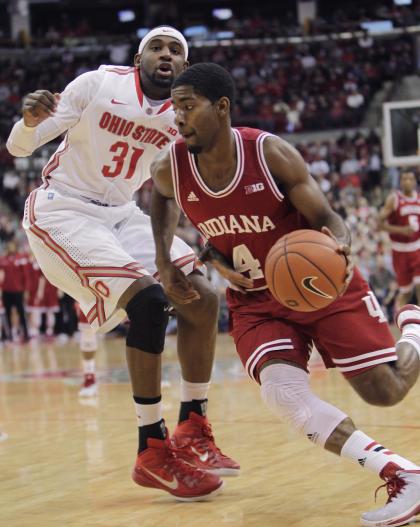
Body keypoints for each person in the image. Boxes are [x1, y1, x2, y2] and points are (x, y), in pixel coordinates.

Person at [149, 62, 420, 526]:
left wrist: (342, 243)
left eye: (188, 106)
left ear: (222, 107)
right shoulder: (169, 166)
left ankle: (413, 334)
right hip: (255, 301)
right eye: (174, 107)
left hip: (318, 285)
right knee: (282, 394)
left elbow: (328, 217)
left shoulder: (269, 153)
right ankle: (404, 475)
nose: (178, 117)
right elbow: (162, 200)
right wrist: (170, 260)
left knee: (386, 393)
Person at [6, 31, 239, 501]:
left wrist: (172, 253)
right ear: (139, 58)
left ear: (186, 67)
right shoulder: (97, 84)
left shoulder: (182, 118)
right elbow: (19, 148)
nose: (167, 56)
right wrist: (29, 122)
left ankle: (192, 427)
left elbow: (171, 193)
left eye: (177, 51)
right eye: (158, 48)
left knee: (202, 299)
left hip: (122, 215)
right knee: (151, 304)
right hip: (64, 208)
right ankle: (150, 450)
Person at [379, 168, 420, 309]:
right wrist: (402, 230)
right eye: (404, 179)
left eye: (410, 178)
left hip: (417, 248)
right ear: (400, 181)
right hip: (399, 251)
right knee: (406, 292)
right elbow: (379, 223)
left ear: (415, 181)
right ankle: (400, 323)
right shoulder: (394, 199)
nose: (407, 181)